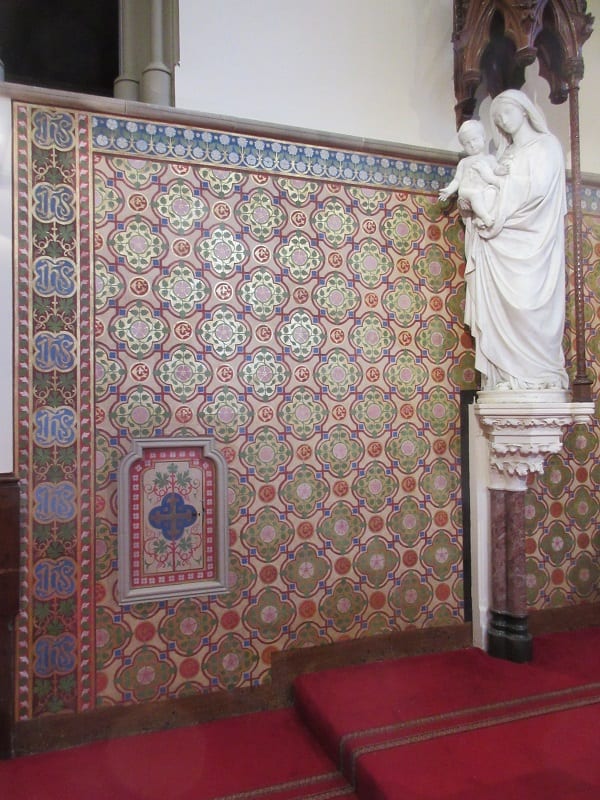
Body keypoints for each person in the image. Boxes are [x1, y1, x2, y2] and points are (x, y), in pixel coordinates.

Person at [462, 89, 569, 392]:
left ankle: (539, 375)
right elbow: (480, 190)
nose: (502, 120)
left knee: (530, 308)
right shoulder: (502, 155)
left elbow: (536, 190)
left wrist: (496, 187)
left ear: (524, 110)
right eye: (496, 118)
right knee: (503, 310)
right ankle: (507, 376)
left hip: (534, 239)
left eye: (506, 112)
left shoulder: (546, 146)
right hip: (499, 245)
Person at [439, 119, 506, 229]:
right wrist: (449, 190)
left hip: (482, 191)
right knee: (475, 195)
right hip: (466, 191)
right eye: (467, 143)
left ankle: (481, 218)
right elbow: (457, 180)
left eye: (475, 139)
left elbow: (496, 169)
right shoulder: (464, 162)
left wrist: (501, 170)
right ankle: (485, 217)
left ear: (483, 138)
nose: (472, 145)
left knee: (491, 193)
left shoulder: (489, 159)